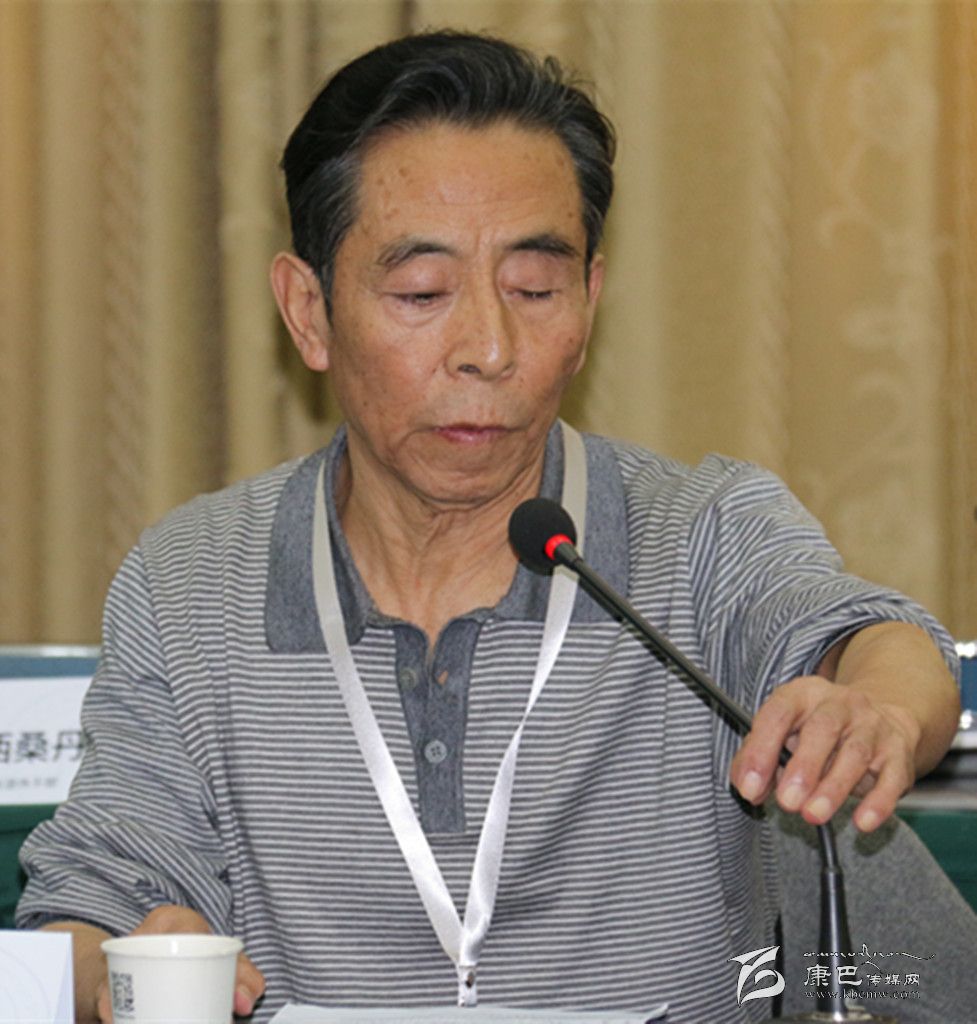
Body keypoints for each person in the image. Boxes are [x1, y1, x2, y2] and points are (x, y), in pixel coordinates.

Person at [17, 31, 960, 1024]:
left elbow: (878, 641)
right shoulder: (190, 580)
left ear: (588, 300)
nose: (488, 348)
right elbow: (86, 908)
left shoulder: (698, 535)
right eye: (421, 293)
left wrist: (879, 710)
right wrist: (119, 967)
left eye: (534, 290)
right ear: (308, 311)